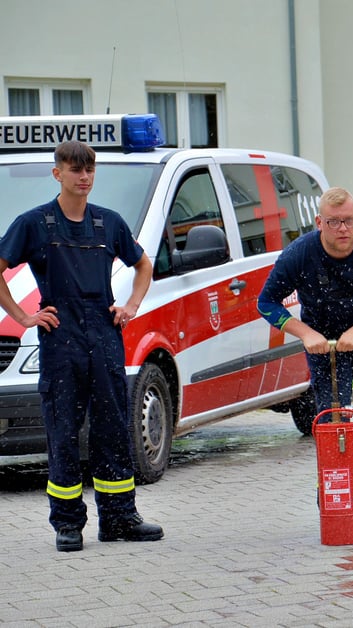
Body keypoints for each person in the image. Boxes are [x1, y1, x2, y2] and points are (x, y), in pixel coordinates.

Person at [0, 140, 163, 552]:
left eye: (89, 169)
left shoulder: (109, 223)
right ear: (58, 174)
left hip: (105, 337)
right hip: (61, 341)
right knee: (63, 433)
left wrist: (131, 305)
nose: (84, 176)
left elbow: (143, 264)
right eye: (75, 169)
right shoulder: (35, 224)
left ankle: (120, 518)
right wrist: (23, 318)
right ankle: (68, 524)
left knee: (112, 429)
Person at [258, 186, 353, 523]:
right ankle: (335, 492)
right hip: (323, 346)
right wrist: (305, 333)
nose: (343, 230)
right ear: (319, 222)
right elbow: (265, 303)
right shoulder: (299, 254)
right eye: (334, 222)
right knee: (335, 419)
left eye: (349, 221)